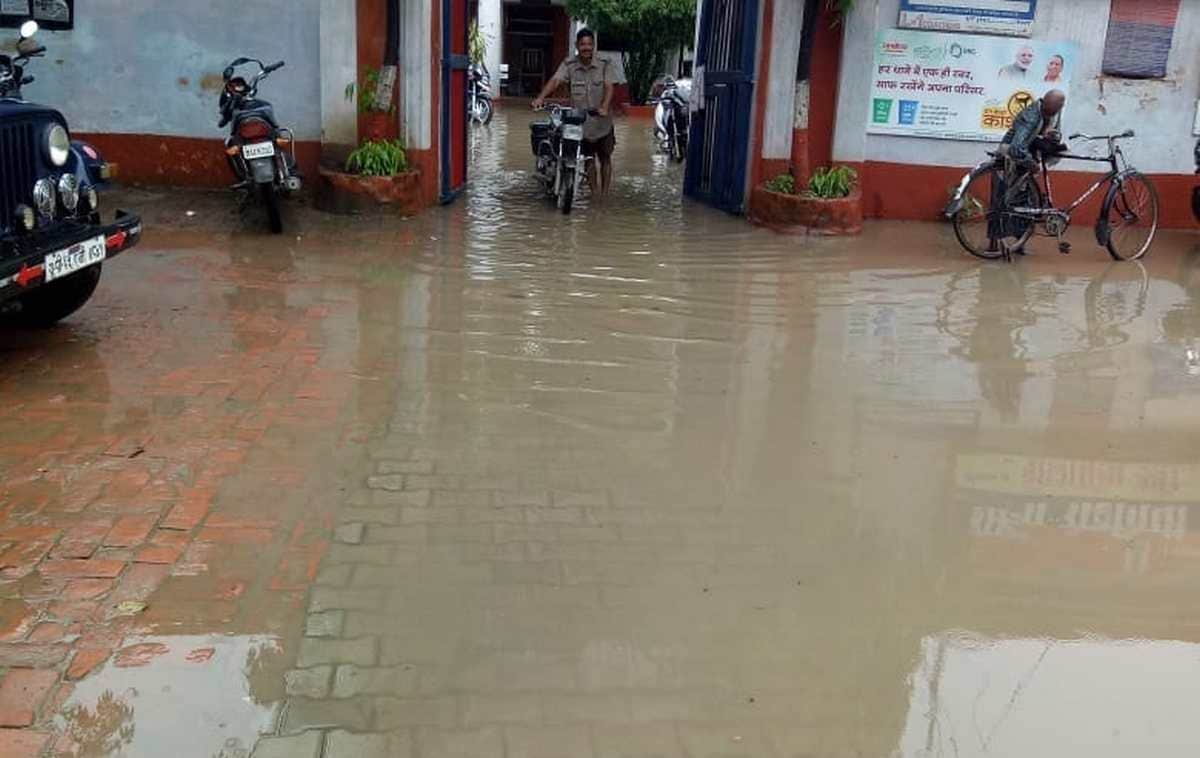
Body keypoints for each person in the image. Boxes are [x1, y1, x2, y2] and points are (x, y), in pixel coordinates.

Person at [532, 28, 616, 196]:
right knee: (588, 159)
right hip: (581, 123)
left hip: (602, 122)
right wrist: (540, 97)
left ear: (594, 46)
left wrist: (605, 106)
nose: (586, 48)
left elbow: (609, 86)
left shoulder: (605, 63)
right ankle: (595, 195)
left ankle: (605, 195)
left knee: (605, 157)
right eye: (583, 44)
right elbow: (556, 81)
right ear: (577, 46)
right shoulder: (569, 65)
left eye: (589, 44)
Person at [989, 90, 1068, 254]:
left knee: (1025, 202)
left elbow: (1053, 132)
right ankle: (993, 244)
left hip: (1029, 151)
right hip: (1010, 155)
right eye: (1048, 110)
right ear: (1043, 102)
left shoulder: (1055, 112)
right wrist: (1032, 164)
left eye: (1055, 110)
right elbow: (1016, 148)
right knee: (1002, 201)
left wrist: (1052, 137)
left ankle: (1019, 244)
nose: (1052, 113)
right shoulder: (1031, 115)